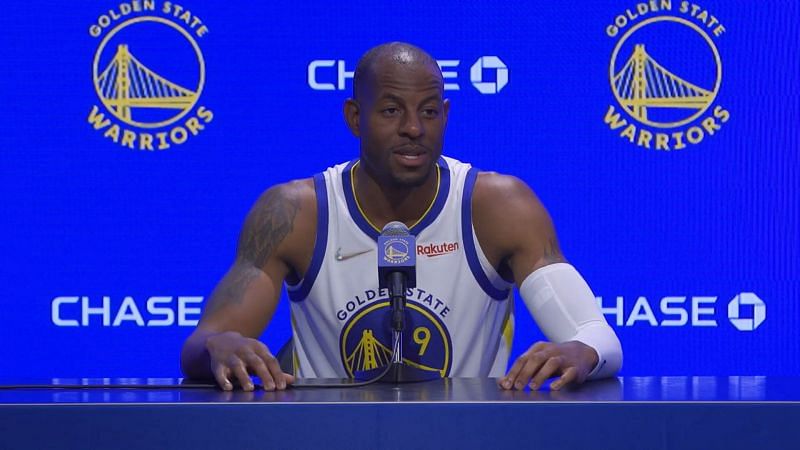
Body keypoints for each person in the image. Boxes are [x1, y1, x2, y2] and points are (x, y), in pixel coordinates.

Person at [181, 42, 622, 392]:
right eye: (391, 110)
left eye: (429, 111)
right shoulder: (294, 212)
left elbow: (596, 337)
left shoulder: (499, 207)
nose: (414, 128)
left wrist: (580, 352)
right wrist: (221, 346)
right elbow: (205, 342)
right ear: (355, 117)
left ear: (446, 116)